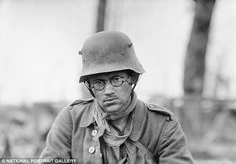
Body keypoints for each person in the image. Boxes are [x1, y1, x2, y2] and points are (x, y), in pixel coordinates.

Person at [40, 31, 195, 164]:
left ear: (132, 78)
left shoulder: (161, 126)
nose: (108, 91)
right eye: (99, 83)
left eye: (116, 80)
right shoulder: (72, 119)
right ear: (90, 86)